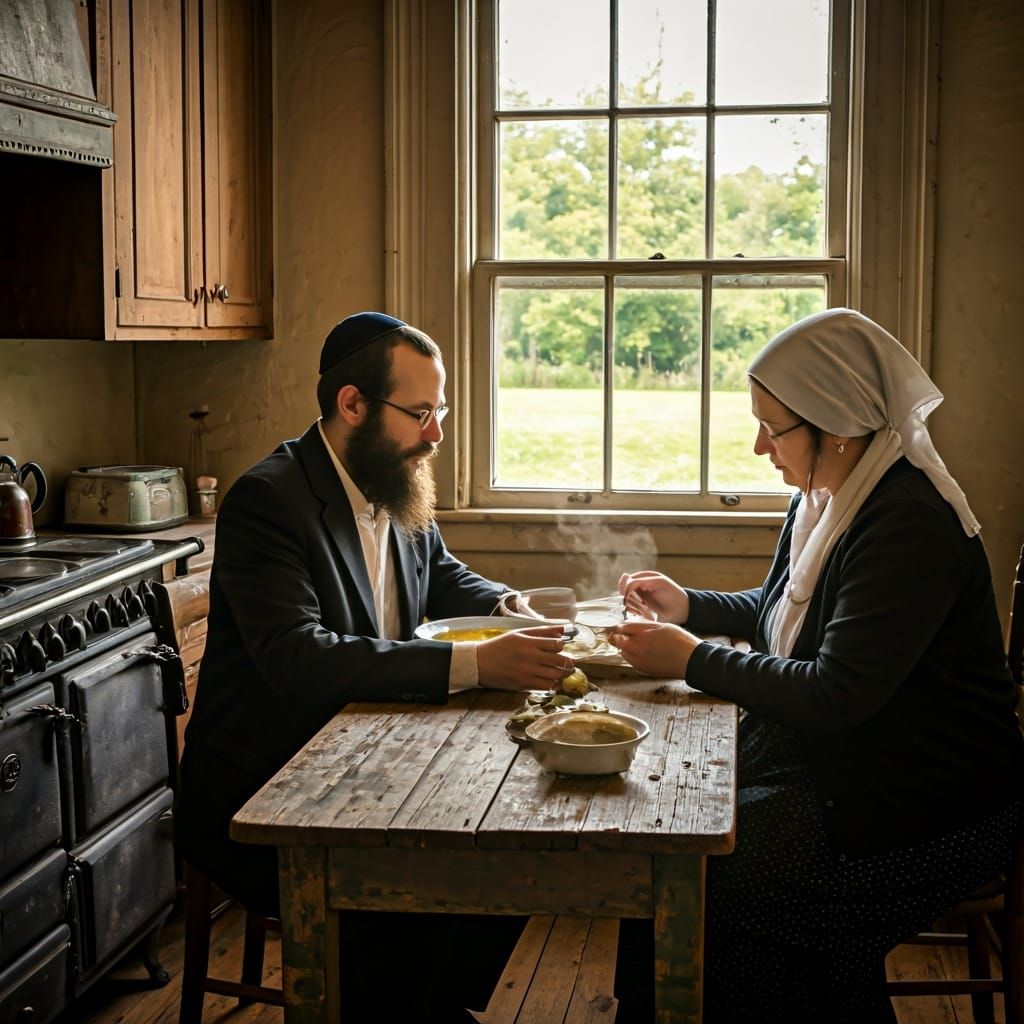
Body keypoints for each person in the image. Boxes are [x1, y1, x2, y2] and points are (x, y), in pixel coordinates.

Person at [611, 308, 1024, 1023]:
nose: (758, 445)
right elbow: (784, 609)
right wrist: (690, 606)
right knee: (669, 832)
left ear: (835, 422)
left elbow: (836, 692)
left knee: (704, 873)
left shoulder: (905, 525)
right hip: (855, 768)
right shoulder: (830, 497)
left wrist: (694, 659)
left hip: (927, 805)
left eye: (773, 427)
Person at [174, 312, 575, 1018]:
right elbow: (301, 660)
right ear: (351, 404)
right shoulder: (268, 501)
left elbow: (444, 576)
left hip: (376, 761)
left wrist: (515, 609)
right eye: (420, 413)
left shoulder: (391, 475)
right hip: (269, 789)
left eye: (439, 411)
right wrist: (481, 666)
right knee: (424, 892)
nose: (436, 435)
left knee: (510, 862)